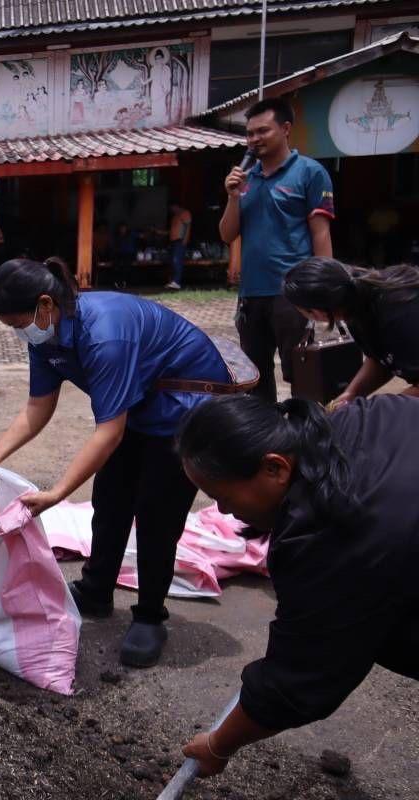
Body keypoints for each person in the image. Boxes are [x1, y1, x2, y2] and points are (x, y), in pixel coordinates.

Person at [0, 258, 237, 667]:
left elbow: (109, 432)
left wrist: (57, 493)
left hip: (185, 407)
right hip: (139, 404)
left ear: (45, 304)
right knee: (110, 501)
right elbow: (38, 405)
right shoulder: (47, 336)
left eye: (18, 323)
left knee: (156, 514)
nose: (19, 333)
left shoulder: (105, 335)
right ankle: (96, 590)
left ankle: (149, 616)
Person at [175, 394, 418, 778]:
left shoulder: (333, 538)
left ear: (275, 468)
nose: (221, 511)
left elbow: (298, 680)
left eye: (222, 497)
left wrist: (219, 745)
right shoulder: (366, 416)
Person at [220, 96, 335, 402]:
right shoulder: (246, 179)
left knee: (302, 374)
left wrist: (325, 290)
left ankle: (304, 440)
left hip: (292, 295)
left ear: (285, 129)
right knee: (254, 379)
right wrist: (233, 197)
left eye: (262, 131)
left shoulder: (310, 173)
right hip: (251, 295)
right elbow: (227, 234)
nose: (254, 139)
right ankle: (266, 443)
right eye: (249, 133)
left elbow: (320, 233)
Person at [284, 257, 419, 406]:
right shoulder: (353, 307)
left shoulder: (400, 312)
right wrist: (351, 394)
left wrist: (381, 411)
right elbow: (381, 357)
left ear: (316, 312)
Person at [161, 202, 192, 291]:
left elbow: (188, 227)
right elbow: (172, 231)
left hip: (180, 241)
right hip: (173, 242)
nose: (171, 210)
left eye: (172, 208)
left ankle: (177, 282)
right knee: (172, 262)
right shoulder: (175, 216)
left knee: (177, 261)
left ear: (176, 206)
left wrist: (185, 239)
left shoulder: (185, 213)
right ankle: (173, 281)